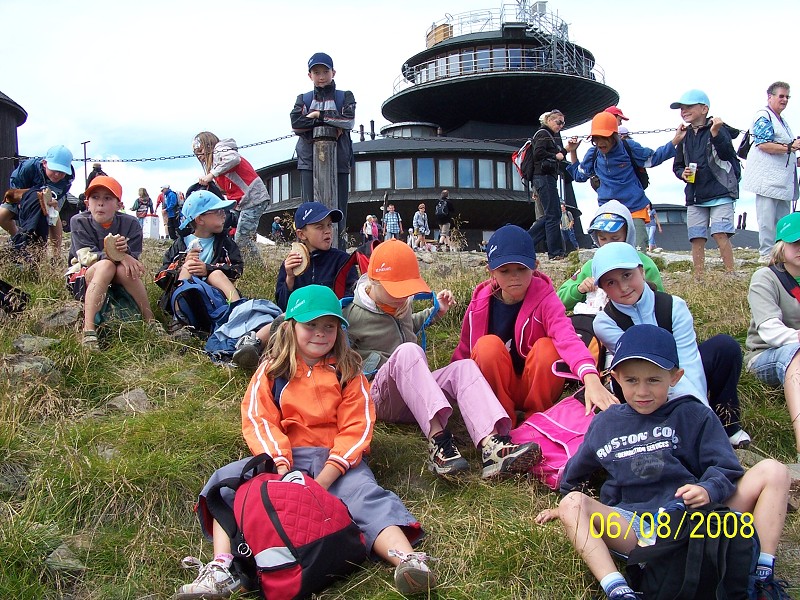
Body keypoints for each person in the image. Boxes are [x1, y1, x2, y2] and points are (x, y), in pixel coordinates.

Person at [175, 285, 436, 599]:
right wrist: (281, 469)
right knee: (226, 483)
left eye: (329, 326)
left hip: (336, 462)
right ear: (291, 327)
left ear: (339, 331)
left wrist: (324, 479)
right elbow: (259, 420)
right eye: (310, 325)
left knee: (365, 495)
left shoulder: (349, 371)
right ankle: (222, 566)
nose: (321, 333)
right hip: (283, 459)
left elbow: (358, 426)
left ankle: (407, 560)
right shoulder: (272, 371)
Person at [535, 324, 791, 600]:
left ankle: (761, 575)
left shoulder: (693, 414)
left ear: (675, 377)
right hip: (635, 528)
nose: (642, 391)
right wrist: (566, 510)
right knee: (573, 503)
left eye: (654, 380)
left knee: (774, 470)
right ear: (616, 377)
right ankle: (619, 590)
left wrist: (707, 489)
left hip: (695, 519)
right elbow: (573, 480)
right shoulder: (605, 423)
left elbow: (727, 467)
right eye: (631, 380)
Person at [343, 239, 542, 479]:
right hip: (381, 396)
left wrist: (435, 312)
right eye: (396, 290)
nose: (402, 297)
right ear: (373, 281)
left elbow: (407, 326)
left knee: (464, 367)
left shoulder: (400, 305)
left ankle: (493, 445)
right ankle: (438, 442)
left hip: (417, 394)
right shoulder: (350, 315)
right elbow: (334, 354)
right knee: (408, 351)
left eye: (407, 290)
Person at [453, 224, 618, 426]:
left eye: (522, 269)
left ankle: (537, 420)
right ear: (491, 271)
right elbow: (464, 350)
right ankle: (502, 421)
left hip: (537, 385)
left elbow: (566, 336)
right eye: (504, 270)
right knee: (486, 346)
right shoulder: (479, 303)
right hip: (498, 388)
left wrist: (590, 376)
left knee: (547, 348)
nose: (514, 276)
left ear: (535, 266)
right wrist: (450, 391)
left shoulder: (547, 299)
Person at [591, 242, 750, 446]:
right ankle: (653, 431)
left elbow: (688, 362)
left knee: (725, 347)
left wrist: (702, 414)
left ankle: (727, 425)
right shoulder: (605, 323)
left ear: (642, 271)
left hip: (679, 373)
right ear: (603, 289)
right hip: (642, 383)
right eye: (611, 282)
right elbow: (640, 366)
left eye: (627, 275)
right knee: (626, 380)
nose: (623, 287)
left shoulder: (674, 306)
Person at [232, 202, 358, 369]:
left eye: (329, 225)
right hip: (299, 321)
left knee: (286, 320)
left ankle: (264, 349)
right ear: (301, 234)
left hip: (330, 319)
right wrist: (290, 278)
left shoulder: (342, 260)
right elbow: (282, 304)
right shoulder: (291, 262)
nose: (327, 231)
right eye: (319, 227)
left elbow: (351, 296)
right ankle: (252, 347)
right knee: (284, 318)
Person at [65, 176, 163, 350]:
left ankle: (150, 320)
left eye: (108, 198)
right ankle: (89, 329)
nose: (100, 203)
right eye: (95, 197)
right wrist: (119, 256)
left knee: (124, 270)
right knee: (106, 265)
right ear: (87, 203)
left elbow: (133, 261)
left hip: (117, 273)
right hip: (84, 274)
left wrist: (124, 254)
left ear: (119, 205)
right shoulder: (79, 221)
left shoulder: (131, 224)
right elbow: (85, 257)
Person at [565, 112, 686, 251]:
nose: (600, 143)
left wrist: (676, 140)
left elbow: (653, 158)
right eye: (596, 138)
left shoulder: (629, 147)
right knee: (611, 252)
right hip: (609, 210)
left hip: (634, 206)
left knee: (638, 251)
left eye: (604, 137)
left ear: (614, 136)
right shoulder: (593, 154)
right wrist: (573, 152)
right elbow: (579, 176)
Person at [745, 211, 800, 464]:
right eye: (795, 242)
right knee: (796, 355)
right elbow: (770, 330)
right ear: (781, 246)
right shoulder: (765, 277)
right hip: (765, 355)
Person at [670, 89, 739, 275]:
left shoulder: (718, 128)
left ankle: (730, 273)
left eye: (689, 106)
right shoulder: (684, 135)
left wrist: (716, 133)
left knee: (720, 233)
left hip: (721, 191)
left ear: (704, 109)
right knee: (696, 237)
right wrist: (682, 174)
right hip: (695, 194)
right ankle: (698, 276)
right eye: (681, 108)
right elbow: (677, 165)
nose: (684, 111)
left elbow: (727, 154)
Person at [557, 201, 664, 314]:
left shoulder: (644, 264)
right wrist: (579, 289)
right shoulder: (592, 266)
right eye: (603, 238)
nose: (608, 244)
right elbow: (558, 300)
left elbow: (660, 303)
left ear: (628, 234)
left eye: (615, 238)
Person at [290, 52, 356, 236]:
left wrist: (317, 115)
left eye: (325, 72)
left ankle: (339, 250)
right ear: (309, 75)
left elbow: (348, 121)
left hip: (339, 160)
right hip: (308, 161)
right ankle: (310, 251)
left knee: (339, 213)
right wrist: (331, 122)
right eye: (316, 72)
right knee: (309, 212)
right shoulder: (303, 99)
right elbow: (296, 124)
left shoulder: (345, 96)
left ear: (333, 72)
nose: (321, 77)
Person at [156, 190, 243, 323]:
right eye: (218, 211)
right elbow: (161, 277)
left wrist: (208, 269)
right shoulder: (181, 243)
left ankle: (240, 312)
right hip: (188, 298)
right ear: (200, 219)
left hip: (216, 297)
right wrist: (182, 262)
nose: (224, 215)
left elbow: (237, 269)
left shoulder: (225, 242)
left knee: (216, 274)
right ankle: (180, 320)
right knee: (188, 267)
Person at [741, 81, 800, 263]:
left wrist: (795, 158)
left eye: (787, 97)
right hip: (767, 179)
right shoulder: (763, 116)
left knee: (783, 219)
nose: (784, 100)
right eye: (781, 96)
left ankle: (781, 253)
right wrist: (790, 147)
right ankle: (766, 253)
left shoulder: (782, 121)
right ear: (770, 97)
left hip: (782, 180)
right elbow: (763, 144)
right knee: (767, 218)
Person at [193, 132, 271, 262]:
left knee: (242, 237)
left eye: (201, 151)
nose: (200, 156)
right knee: (226, 229)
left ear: (208, 146)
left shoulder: (220, 151)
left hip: (253, 198)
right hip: (240, 202)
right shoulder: (216, 165)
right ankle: (232, 260)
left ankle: (256, 266)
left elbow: (234, 159)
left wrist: (211, 175)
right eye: (197, 154)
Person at [3, 145, 75, 251]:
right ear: (45, 163)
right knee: (2, 215)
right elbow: (16, 184)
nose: (57, 174)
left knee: (53, 214)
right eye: (54, 169)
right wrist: (20, 201)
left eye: (62, 172)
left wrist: (51, 202)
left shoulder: (67, 178)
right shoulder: (28, 168)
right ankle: (17, 238)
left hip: (49, 199)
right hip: (22, 196)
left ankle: (56, 252)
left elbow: (57, 194)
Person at [527, 109, 567, 260]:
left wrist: (565, 151)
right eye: (559, 122)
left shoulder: (548, 135)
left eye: (563, 123)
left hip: (544, 178)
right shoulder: (543, 134)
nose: (561, 126)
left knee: (553, 214)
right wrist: (555, 155)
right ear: (549, 120)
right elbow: (538, 153)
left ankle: (527, 241)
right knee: (552, 214)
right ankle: (555, 252)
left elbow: (557, 155)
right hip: (544, 177)